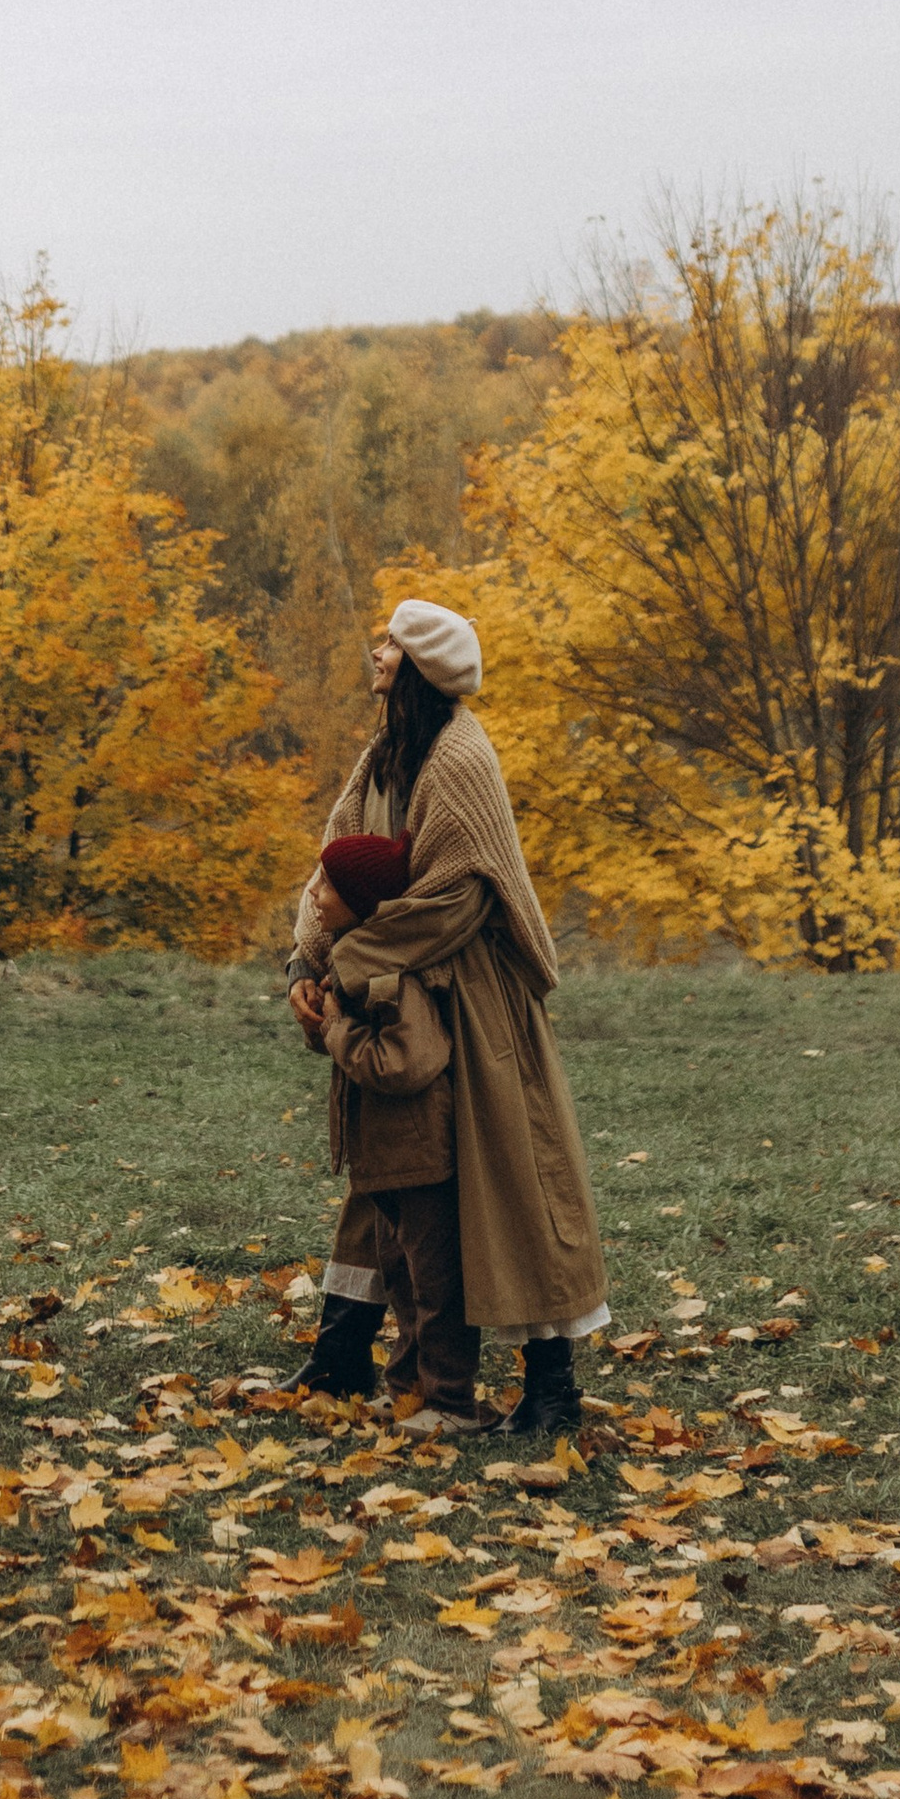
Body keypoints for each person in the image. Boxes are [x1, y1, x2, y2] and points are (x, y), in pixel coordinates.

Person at [286, 598, 609, 1435]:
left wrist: (352, 963)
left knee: (511, 1189)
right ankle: (343, 1351)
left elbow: (456, 897)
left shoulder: (460, 755)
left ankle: (552, 1389)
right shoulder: (384, 755)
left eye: (393, 644)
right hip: (392, 990)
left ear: (423, 665)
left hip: (472, 1004)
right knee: (387, 1184)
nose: (379, 652)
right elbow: (333, 862)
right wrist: (308, 963)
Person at [288, 828, 484, 1429]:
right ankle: (406, 1391)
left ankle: (450, 1401)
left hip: (420, 1153)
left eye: (327, 884)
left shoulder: (392, 974)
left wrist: (337, 1029)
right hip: (387, 1157)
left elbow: (406, 1061)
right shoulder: (354, 958)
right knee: (401, 1279)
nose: (314, 893)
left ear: (364, 903)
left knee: (435, 1285)